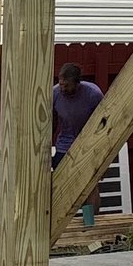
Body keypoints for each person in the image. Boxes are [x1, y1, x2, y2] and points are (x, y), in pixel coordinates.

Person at [51, 58, 106, 227]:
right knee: (60, 184)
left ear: (77, 83)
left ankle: (90, 223)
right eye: (61, 84)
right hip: (64, 145)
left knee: (89, 185)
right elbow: (51, 122)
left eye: (67, 85)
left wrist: (101, 149)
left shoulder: (93, 94)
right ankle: (61, 224)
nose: (63, 88)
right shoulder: (55, 94)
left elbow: (104, 122)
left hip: (88, 145)